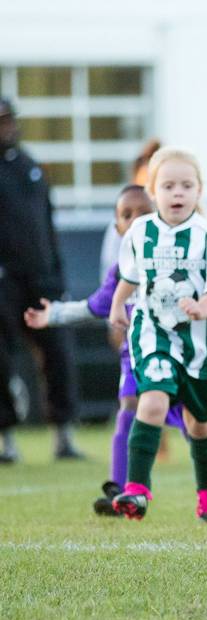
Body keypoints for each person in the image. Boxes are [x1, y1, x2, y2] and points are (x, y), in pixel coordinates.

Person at [23, 185, 207, 517]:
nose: (136, 219)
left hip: (186, 353)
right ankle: (123, 489)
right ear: (118, 227)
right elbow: (97, 304)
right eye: (126, 215)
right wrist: (55, 314)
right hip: (141, 354)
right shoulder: (123, 271)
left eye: (143, 212)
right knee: (130, 407)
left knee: (196, 424)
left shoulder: (180, 254)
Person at [108, 147, 207, 522]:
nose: (177, 193)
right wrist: (118, 305)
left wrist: (204, 306)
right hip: (153, 333)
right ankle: (137, 490)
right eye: (168, 186)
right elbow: (130, 276)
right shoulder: (140, 232)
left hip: (199, 341)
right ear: (152, 191)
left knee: (200, 422)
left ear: (199, 192)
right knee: (152, 401)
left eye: (186, 185)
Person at [0, 96, 84, 462]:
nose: (6, 127)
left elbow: (47, 228)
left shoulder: (31, 167)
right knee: (2, 359)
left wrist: (56, 273)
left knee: (59, 354)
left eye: (8, 120)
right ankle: (7, 441)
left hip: (42, 279)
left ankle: (64, 437)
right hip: (4, 281)